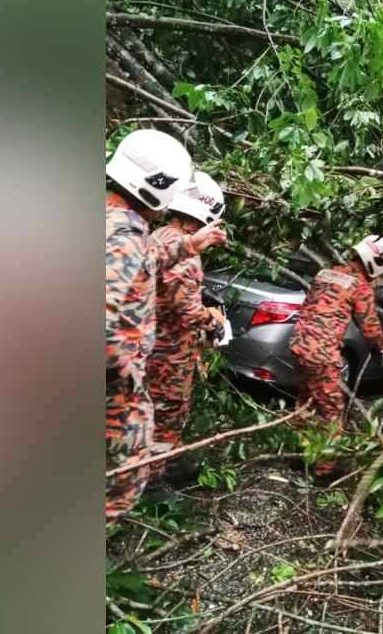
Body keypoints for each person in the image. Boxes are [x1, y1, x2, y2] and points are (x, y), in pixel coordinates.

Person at [105, 130, 227, 525]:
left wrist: (194, 243)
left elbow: (147, 257)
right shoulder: (124, 236)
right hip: (119, 383)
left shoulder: (121, 224)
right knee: (124, 477)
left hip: (132, 372)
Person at [144, 172, 229, 490]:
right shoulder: (188, 255)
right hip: (171, 352)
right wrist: (214, 324)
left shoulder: (157, 237)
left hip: (150, 342)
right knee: (168, 412)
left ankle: (168, 461)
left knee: (153, 408)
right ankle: (152, 483)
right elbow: (187, 310)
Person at [288, 235, 383, 478]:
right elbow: (370, 327)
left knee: (305, 400)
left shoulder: (326, 274)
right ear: (374, 264)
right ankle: (324, 471)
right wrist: (382, 346)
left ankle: (298, 455)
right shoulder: (360, 286)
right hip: (322, 354)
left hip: (298, 346)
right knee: (331, 411)